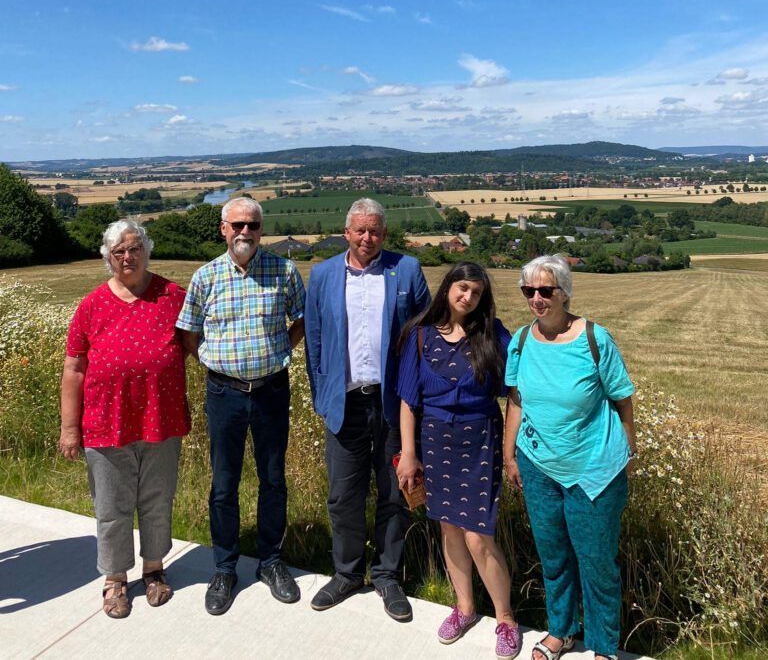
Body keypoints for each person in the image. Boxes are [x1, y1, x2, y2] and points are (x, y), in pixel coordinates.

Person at [503, 255, 638, 660]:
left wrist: (630, 449)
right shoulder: (521, 341)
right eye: (530, 291)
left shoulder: (596, 339)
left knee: (596, 562)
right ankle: (561, 631)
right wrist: (510, 456)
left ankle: (603, 645)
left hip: (595, 469)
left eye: (547, 291)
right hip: (538, 466)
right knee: (554, 556)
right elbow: (516, 400)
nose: (537, 299)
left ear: (565, 292)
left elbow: (623, 399)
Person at [176, 197, 305, 615]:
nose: (245, 232)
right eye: (237, 225)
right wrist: (215, 365)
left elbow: (301, 318)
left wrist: (282, 350)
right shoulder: (205, 277)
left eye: (252, 224)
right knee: (224, 483)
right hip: (224, 393)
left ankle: (270, 562)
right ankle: (225, 567)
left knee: (273, 478)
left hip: (271, 389)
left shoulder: (283, 271)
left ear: (261, 230)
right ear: (223, 229)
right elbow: (189, 334)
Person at [304, 197, 430, 621]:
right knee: (343, 496)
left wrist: (418, 401)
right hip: (344, 405)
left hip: (393, 406)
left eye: (374, 231)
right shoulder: (322, 275)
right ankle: (347, 573)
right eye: (359, 230)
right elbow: (315, 341)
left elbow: (424, 338)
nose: (366, 238)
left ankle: (388, 576)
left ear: (384, 235)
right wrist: (322, 396)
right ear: (346, 233)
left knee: (395, 494)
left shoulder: (406, 270)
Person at [59, 219, 190, 619]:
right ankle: (115, 578)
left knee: (156, 500)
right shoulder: (92, 305)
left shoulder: (172, 295)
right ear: (108, 258)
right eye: (119, 252)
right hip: (105, 422)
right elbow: (74, 369)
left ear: (146, 250)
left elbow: (193, 345)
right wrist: (69, 427)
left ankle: (153, 569)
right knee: (112, 507)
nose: (128, 257)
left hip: (160, 419)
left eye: (134, 248)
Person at [396, 262, 522, 659]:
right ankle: (465, 608)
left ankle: (506, 618)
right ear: (448, 287)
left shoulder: (492, 335)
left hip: (479, 439)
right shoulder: (419, 336)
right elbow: (407, 401)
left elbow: (516, 391)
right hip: (434, 442)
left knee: (478, 536)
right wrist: (409, 454)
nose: (467, 298)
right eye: (462, 288)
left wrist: (512, 449)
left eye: (476, 293)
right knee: (449, 529)